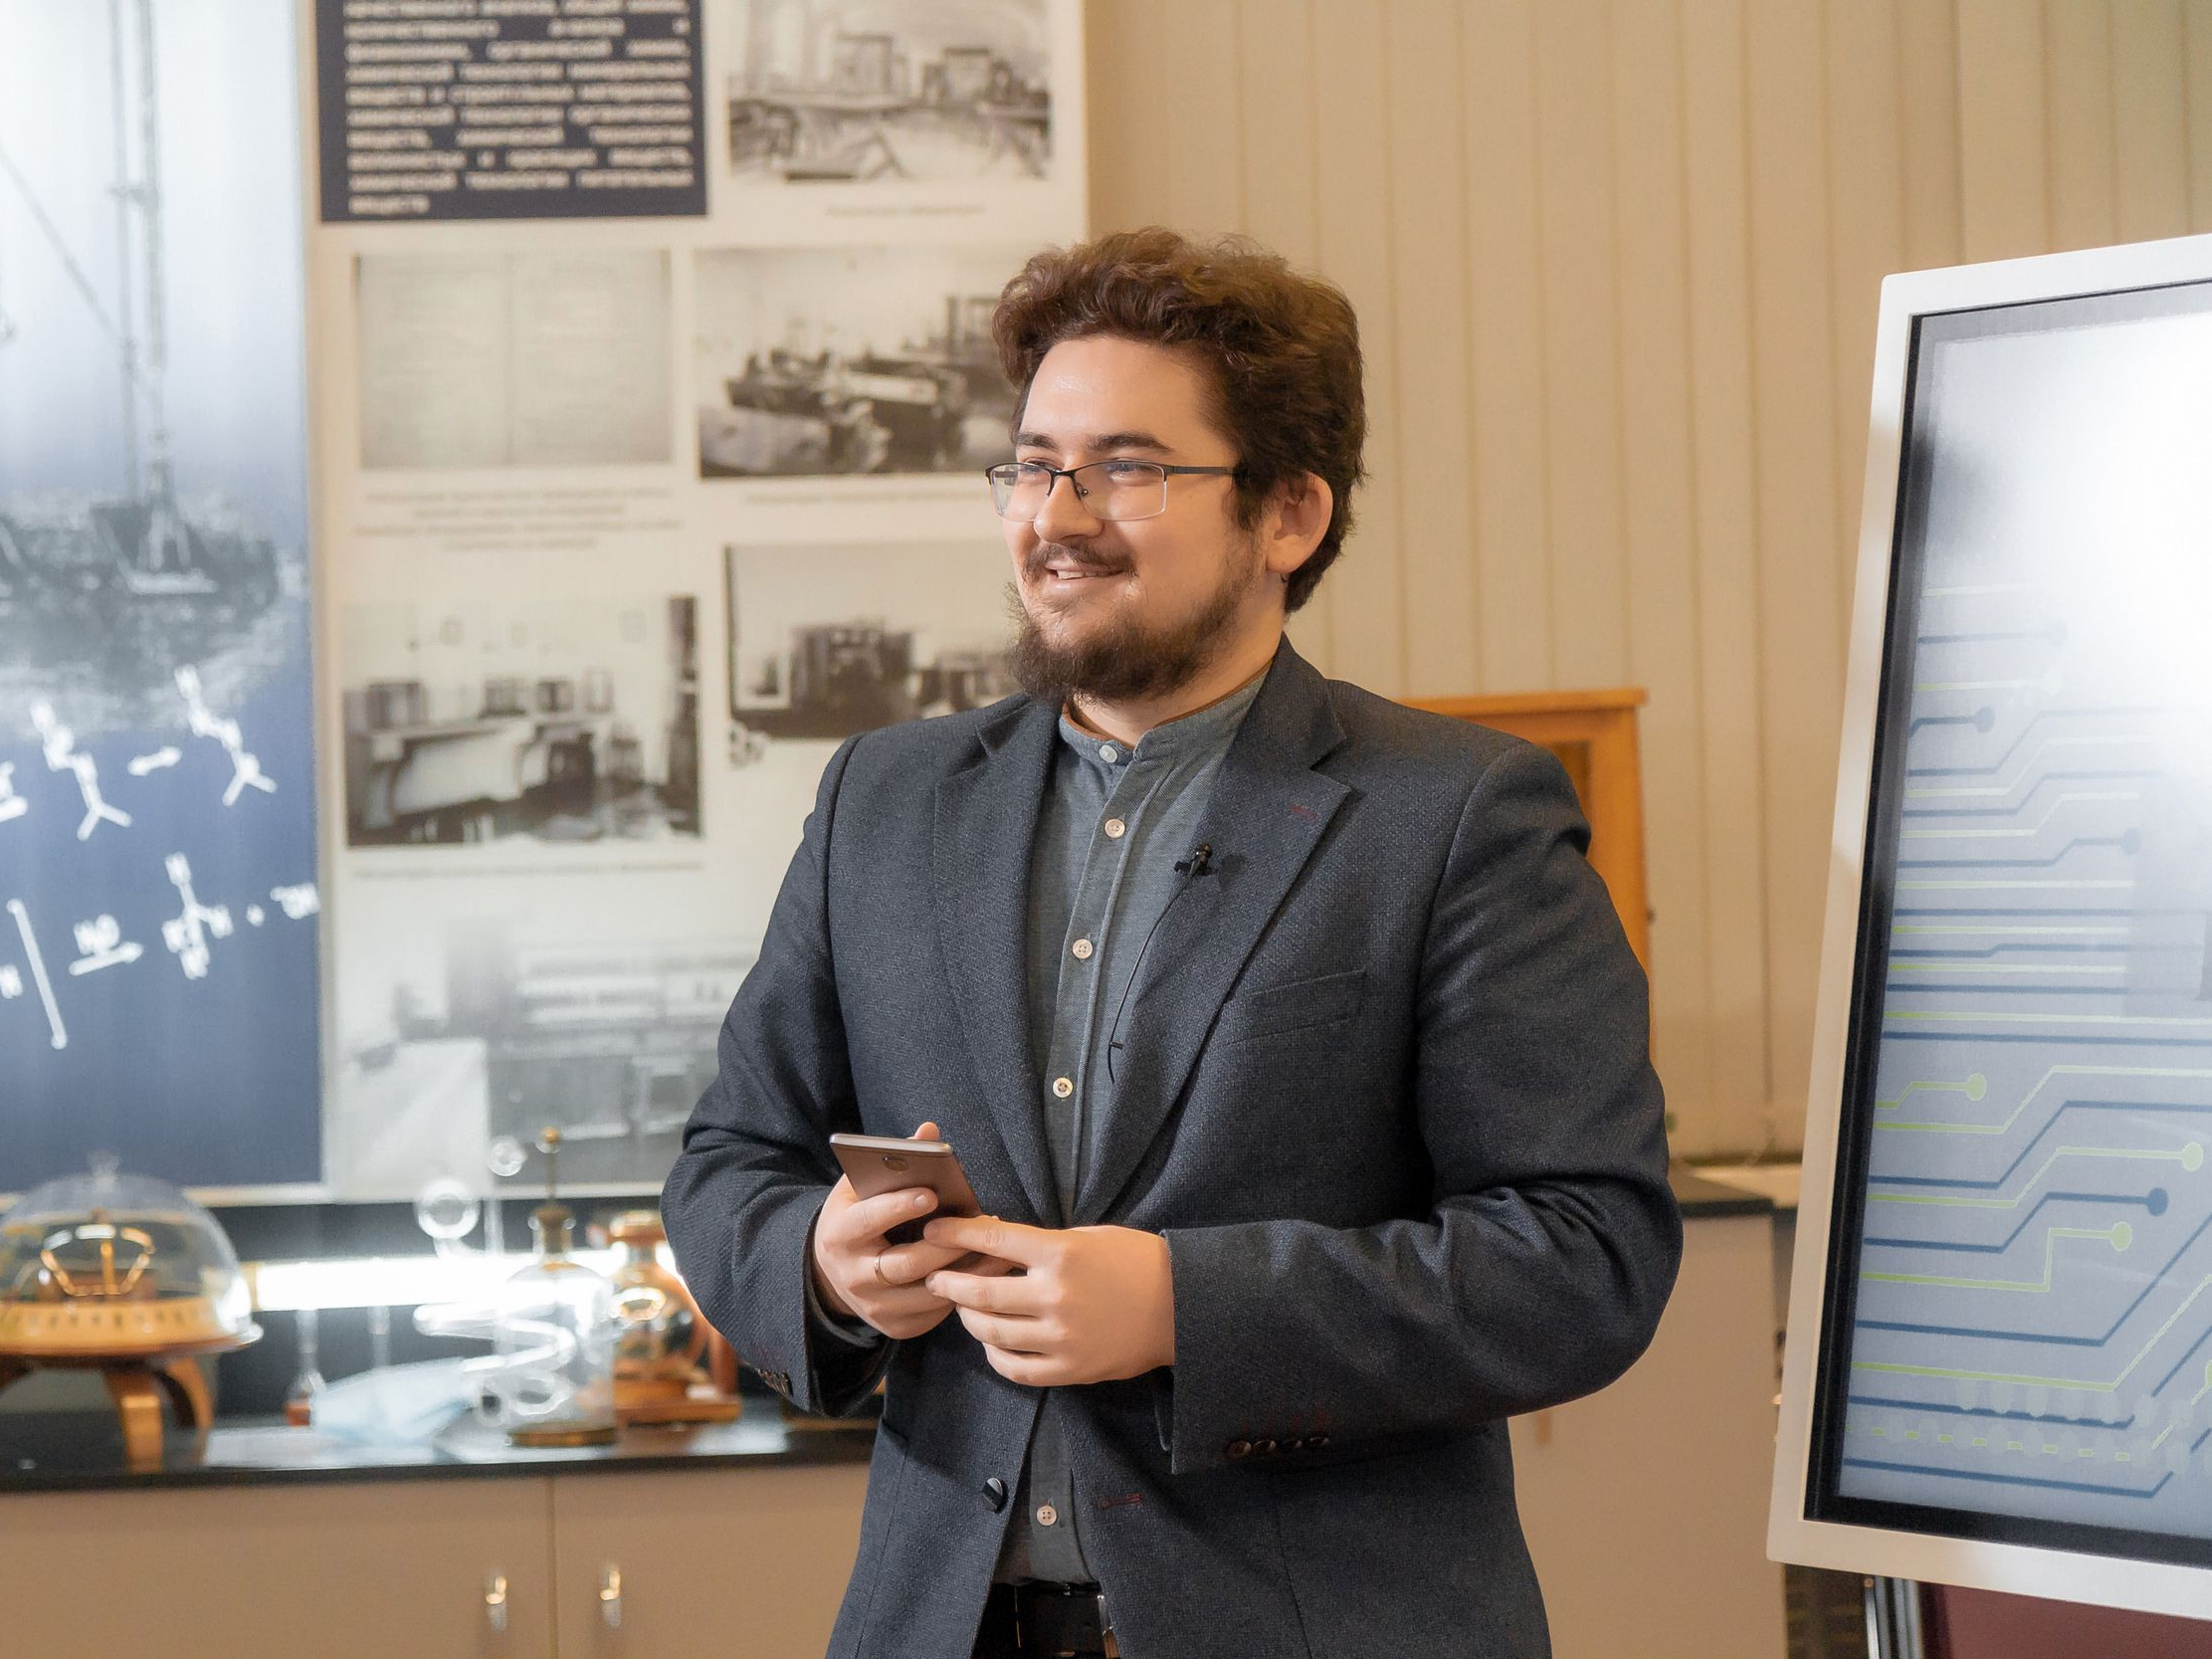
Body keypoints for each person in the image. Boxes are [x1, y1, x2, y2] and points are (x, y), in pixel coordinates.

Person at [661, 227, 1682, 1659]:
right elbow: (727, 1167)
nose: (1055, 515)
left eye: (1127, 468)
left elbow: (1587, 1256)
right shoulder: (880, 801)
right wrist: (825, 1267)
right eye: (1032, 463)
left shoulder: (1457, 818)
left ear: (1290, 516)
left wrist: (1189, 1309)